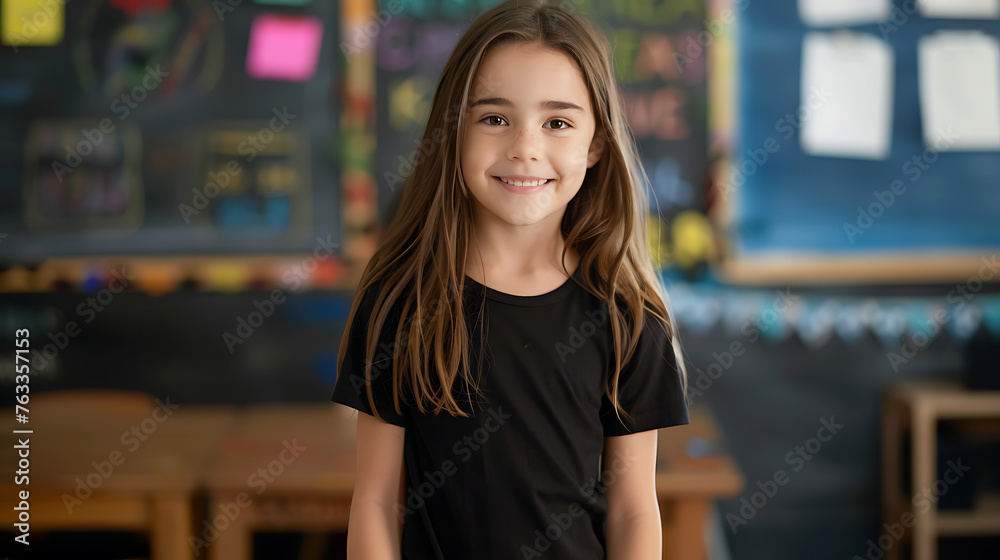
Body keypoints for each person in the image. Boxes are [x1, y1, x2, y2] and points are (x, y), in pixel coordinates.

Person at [331, 1, 689, 558]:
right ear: (455, 131)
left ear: (596, 145)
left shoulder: (628, 318)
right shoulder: (400, 302)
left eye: (558, 123)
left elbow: (634, 509)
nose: (525, 147)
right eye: (495, 118)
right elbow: (375, 500)